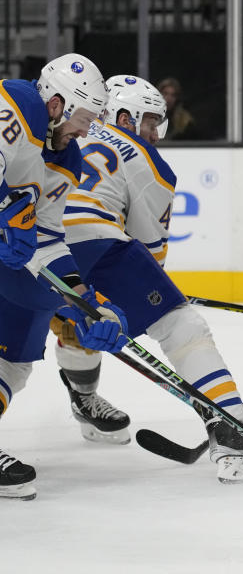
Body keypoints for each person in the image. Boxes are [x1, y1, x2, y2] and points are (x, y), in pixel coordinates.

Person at [51, 75, 243, 485]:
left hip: (36, 245)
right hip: (95, 242)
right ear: (124, 117)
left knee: (32, 342)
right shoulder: (148, 162)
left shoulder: (62, 133)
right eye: (150, 123)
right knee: (181, 325)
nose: (154, 135)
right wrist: (158, 298)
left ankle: (85, 400)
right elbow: (149, 252)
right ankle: (234, 435)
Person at [0, 54, 130, 501]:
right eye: (84, 118)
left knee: (15, 350)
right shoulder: (17, 102)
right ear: (57, 103)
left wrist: (83, 298)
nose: (86, 130)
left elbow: (47, 235)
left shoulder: (67, 158)